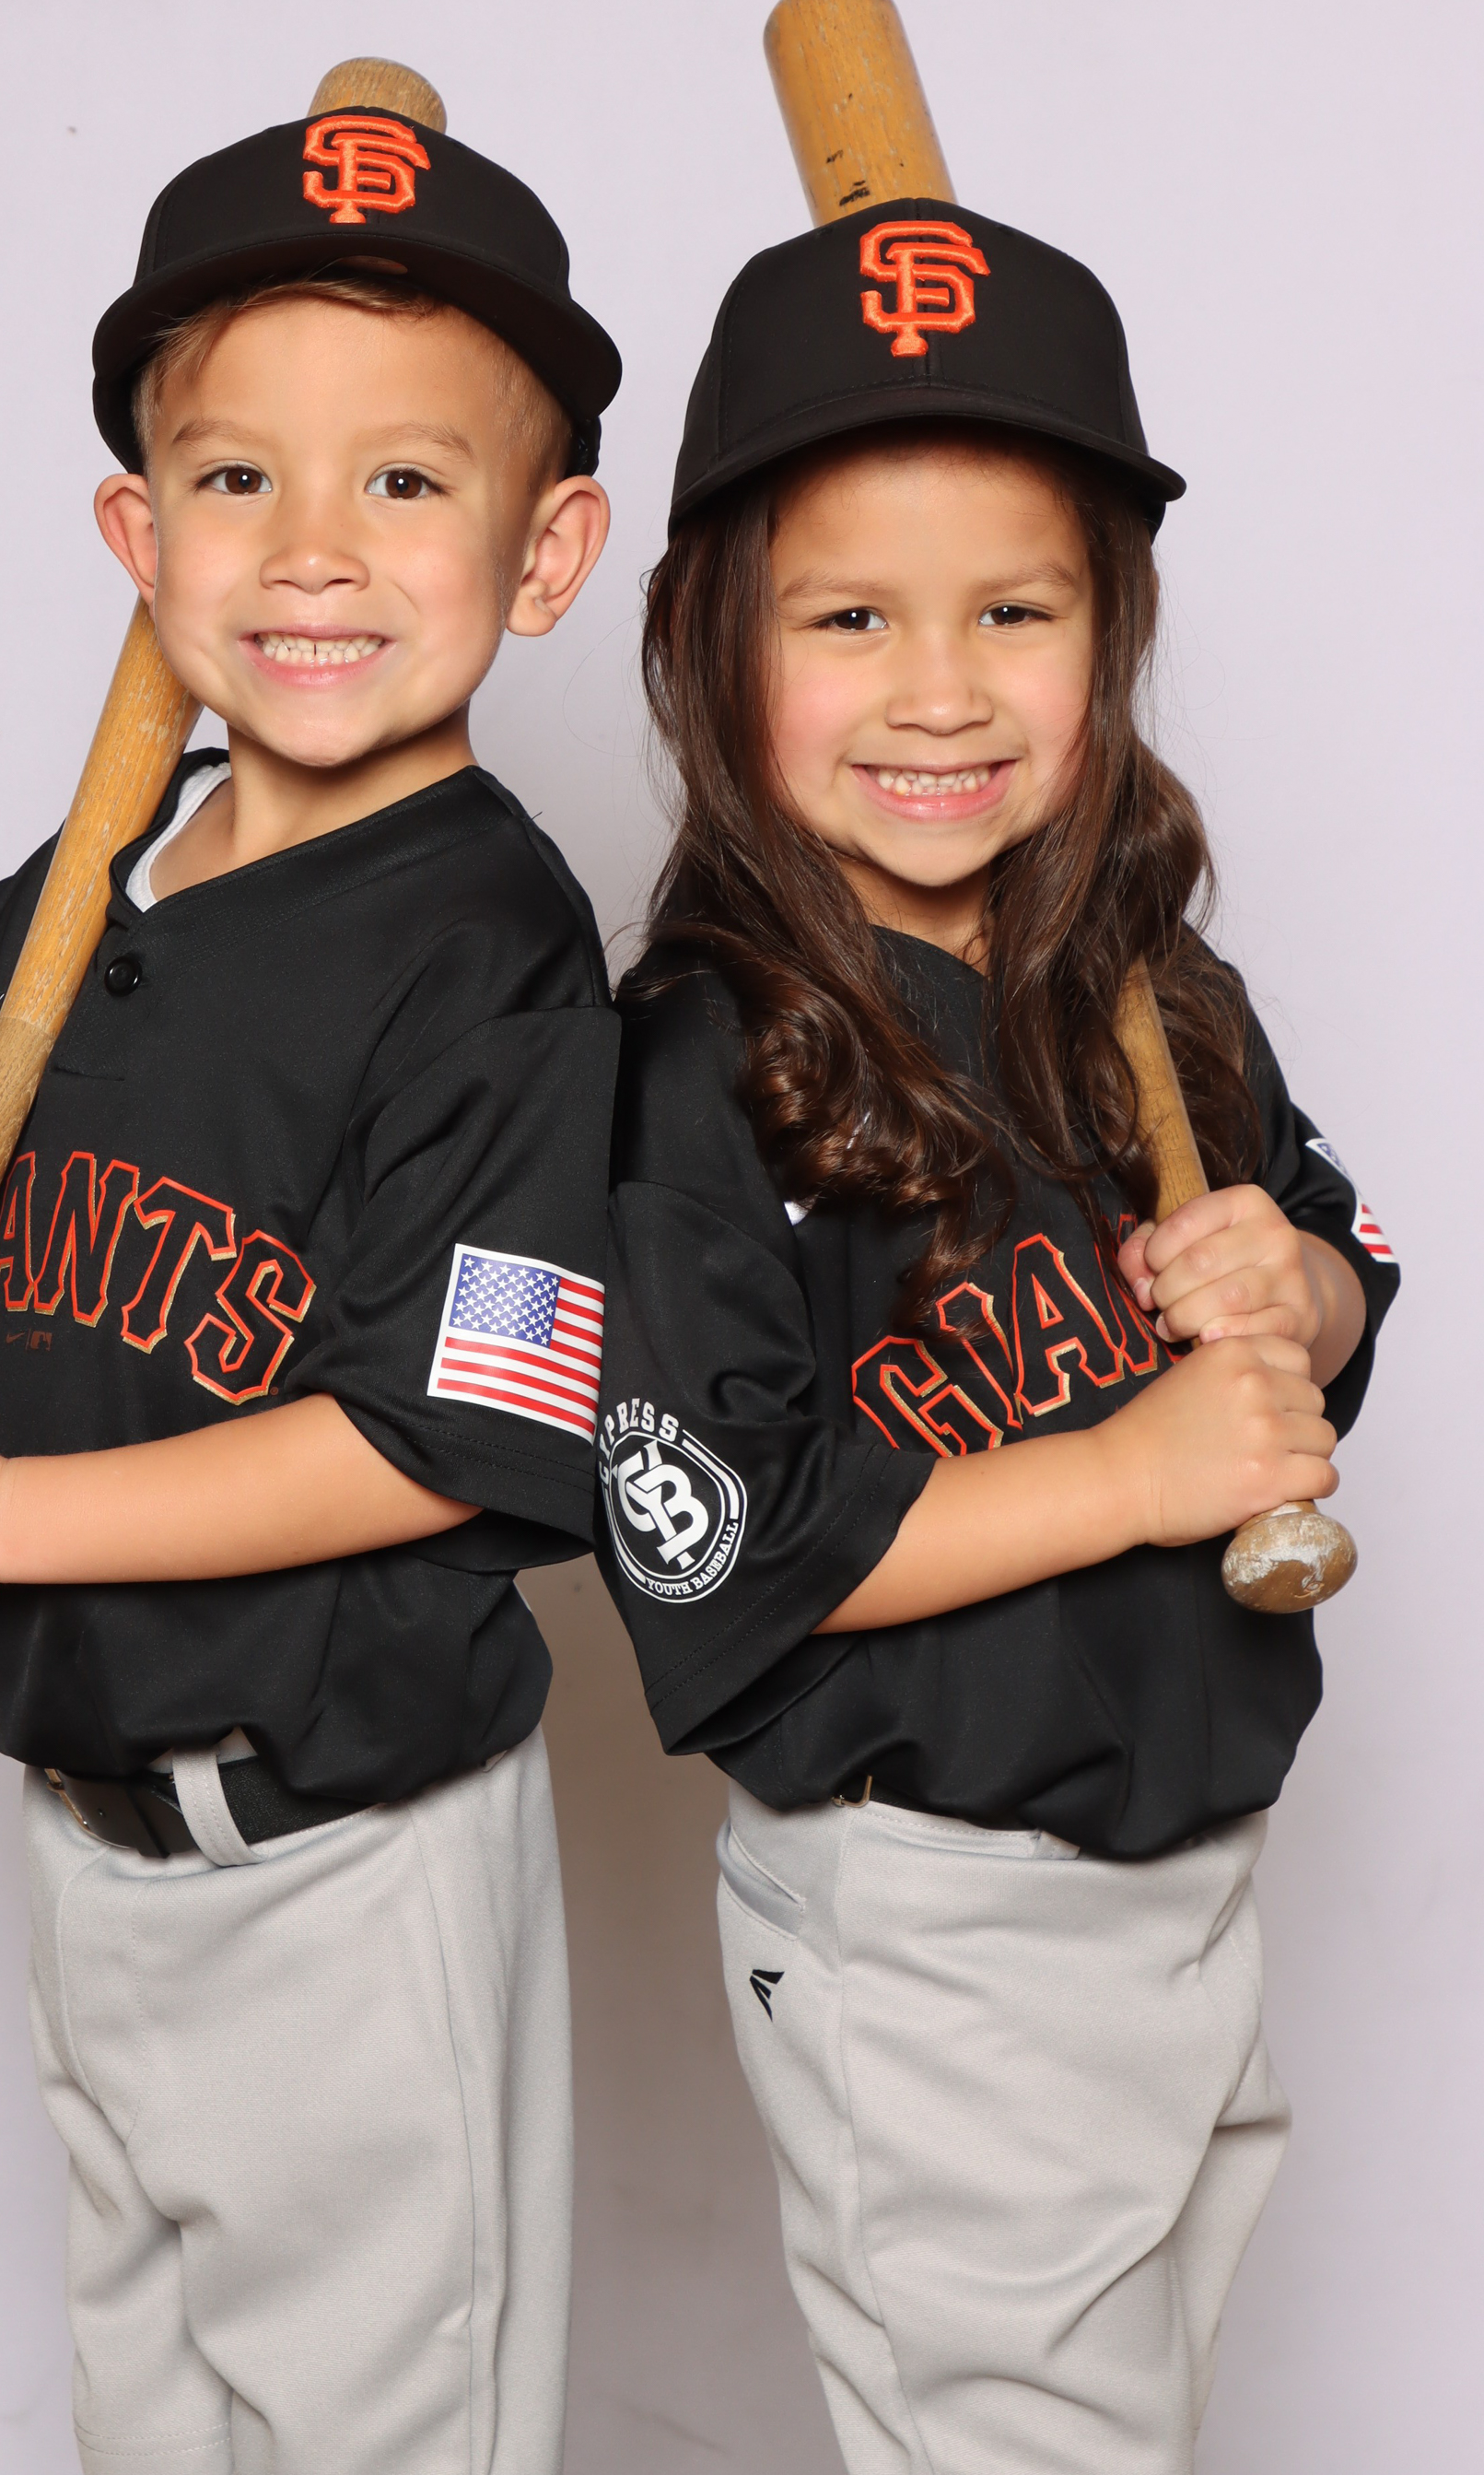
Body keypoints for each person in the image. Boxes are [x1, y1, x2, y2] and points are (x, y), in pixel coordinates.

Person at [0, 108, 621, 2475]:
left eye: (405, 482)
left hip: (348, 1866)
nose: (313, 548)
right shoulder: (98, 874)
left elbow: (441, 1435)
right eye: (240, 478)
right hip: (88, 1838)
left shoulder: (498, 957)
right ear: (139, 538)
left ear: (548, 551)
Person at [594, 200, 1397, 2475]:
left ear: (1106, 634)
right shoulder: (695, 1064)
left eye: (1013, 611)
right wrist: (1138, 1471)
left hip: (1189, 1864)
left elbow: (1334, 1253)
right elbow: (724, 1550)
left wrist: (1295, 1285)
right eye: (850, 614)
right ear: (713, 645)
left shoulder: (1144, 985)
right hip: (929, 1905)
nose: (939, 690)